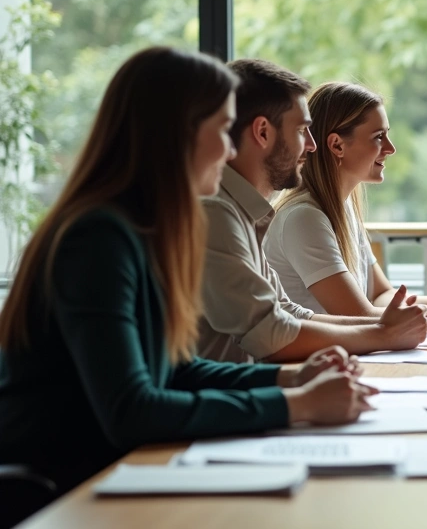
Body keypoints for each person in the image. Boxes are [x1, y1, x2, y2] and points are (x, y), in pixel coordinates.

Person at [0, 47, 375, 498]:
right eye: (221, 128)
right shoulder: (97, 238)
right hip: (67, 489)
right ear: (178, 135)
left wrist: (288, 379)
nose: (230, 146)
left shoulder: (142, 228)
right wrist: (293, 404)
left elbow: (174, 370)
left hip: (116, 471)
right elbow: (132, 409)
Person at [198, 59, 427, 364]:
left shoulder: (246, 214)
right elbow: (271, 335)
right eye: (301, 131)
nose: (312, 145)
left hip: (244, 390)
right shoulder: (218, 214)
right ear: (262, 133)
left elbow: (291, 315)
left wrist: (386, 327)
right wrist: (385, 333)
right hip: (226, 399)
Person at [265, 81, 427, 327]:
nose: (391, 148)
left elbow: (380, 295)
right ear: (337, 145)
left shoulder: (342, 208)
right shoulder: (304, 218)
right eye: (379, 137)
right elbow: (357, 315)